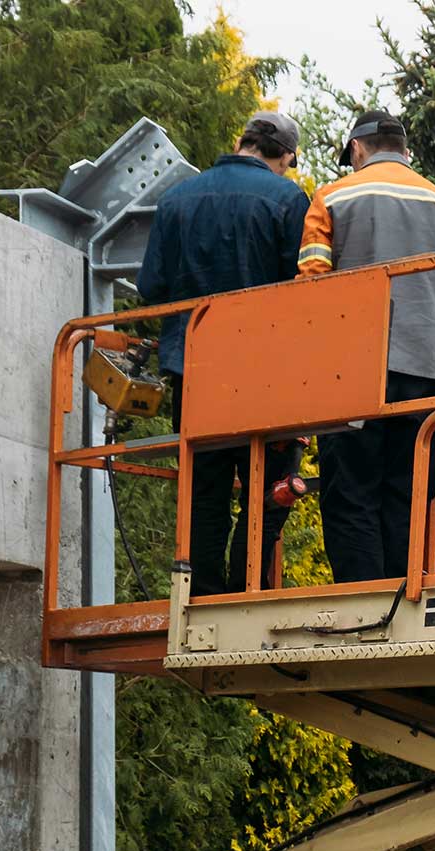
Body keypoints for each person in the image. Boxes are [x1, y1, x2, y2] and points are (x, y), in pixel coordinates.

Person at [138, 111, 309, 596]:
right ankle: (246, 590)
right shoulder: (287, 199)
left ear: (241, 141)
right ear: (286, 157)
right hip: (265, 378)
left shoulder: (175, 199)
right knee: (269, 494)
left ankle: (205, 596)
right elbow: (305, 290)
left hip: (194, 373)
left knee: (205, 495)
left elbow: (151, 286)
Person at [298, 110, 435, 585]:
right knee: (410, 494)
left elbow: (309, 286)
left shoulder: (332, 198)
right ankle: (403, 603)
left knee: (351, 493)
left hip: (353, 374)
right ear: (406, 150)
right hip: (432, 372)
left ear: (356, 149)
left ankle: (362, 608)